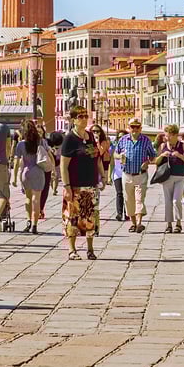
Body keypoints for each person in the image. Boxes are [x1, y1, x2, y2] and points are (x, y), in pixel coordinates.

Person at [60, 106, 105, 259]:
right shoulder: (69, 139)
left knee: (90, 218)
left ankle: (90, 249)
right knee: (73, 218)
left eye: (86, 115)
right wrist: (66, 187)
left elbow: (96, 158)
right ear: (73, 120)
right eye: (80, 116)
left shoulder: (90, 136)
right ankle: (72, 250)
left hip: (91, 184)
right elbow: (63, 166)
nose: (84, 118)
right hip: (75, 186)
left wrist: (102, 176)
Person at [115, 118, 155, 234]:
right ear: (129, 128)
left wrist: (147, 162)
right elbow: (115, 154)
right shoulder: (123, 140)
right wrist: (119, 156)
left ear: (140, 128)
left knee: (139, 199)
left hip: (140, 175)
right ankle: (133, 223)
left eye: (137, 127)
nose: (135, 129)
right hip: (126, 174)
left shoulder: (146, 140)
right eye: (133, 127)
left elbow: (152, 156)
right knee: (128, 200)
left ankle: (139, 223)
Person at [12, 120, 48, 234]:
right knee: (36, 199)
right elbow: (48, 155)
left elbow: (17, 161)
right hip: (38, 172)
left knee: (27, 198)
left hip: (26, 172)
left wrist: (14, 177)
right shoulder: (41, 142)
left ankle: (28, 220)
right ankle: (34, 224)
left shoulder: (21, 144)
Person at [156, 124, 184, 233]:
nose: (167, 138)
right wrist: (161, 156)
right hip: (167, 176)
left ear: (175, 135)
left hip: (180, 176)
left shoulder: (183, 146)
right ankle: (169, 224)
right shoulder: (162, 146)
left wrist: (180, 156)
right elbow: (156, 162)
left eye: (168, 136)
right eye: (166, 136)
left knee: (176, 200)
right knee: (167, 201)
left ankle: (178, 223)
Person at [91, 124, 111, 234]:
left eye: (97, 131)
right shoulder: (87, 142)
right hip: (87, 173)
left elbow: (100, 153)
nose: (95, 133)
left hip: (98, 172)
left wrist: (97, 141)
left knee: (95, 201)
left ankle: (96, 226)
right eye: (93, 131)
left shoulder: (103, 142)